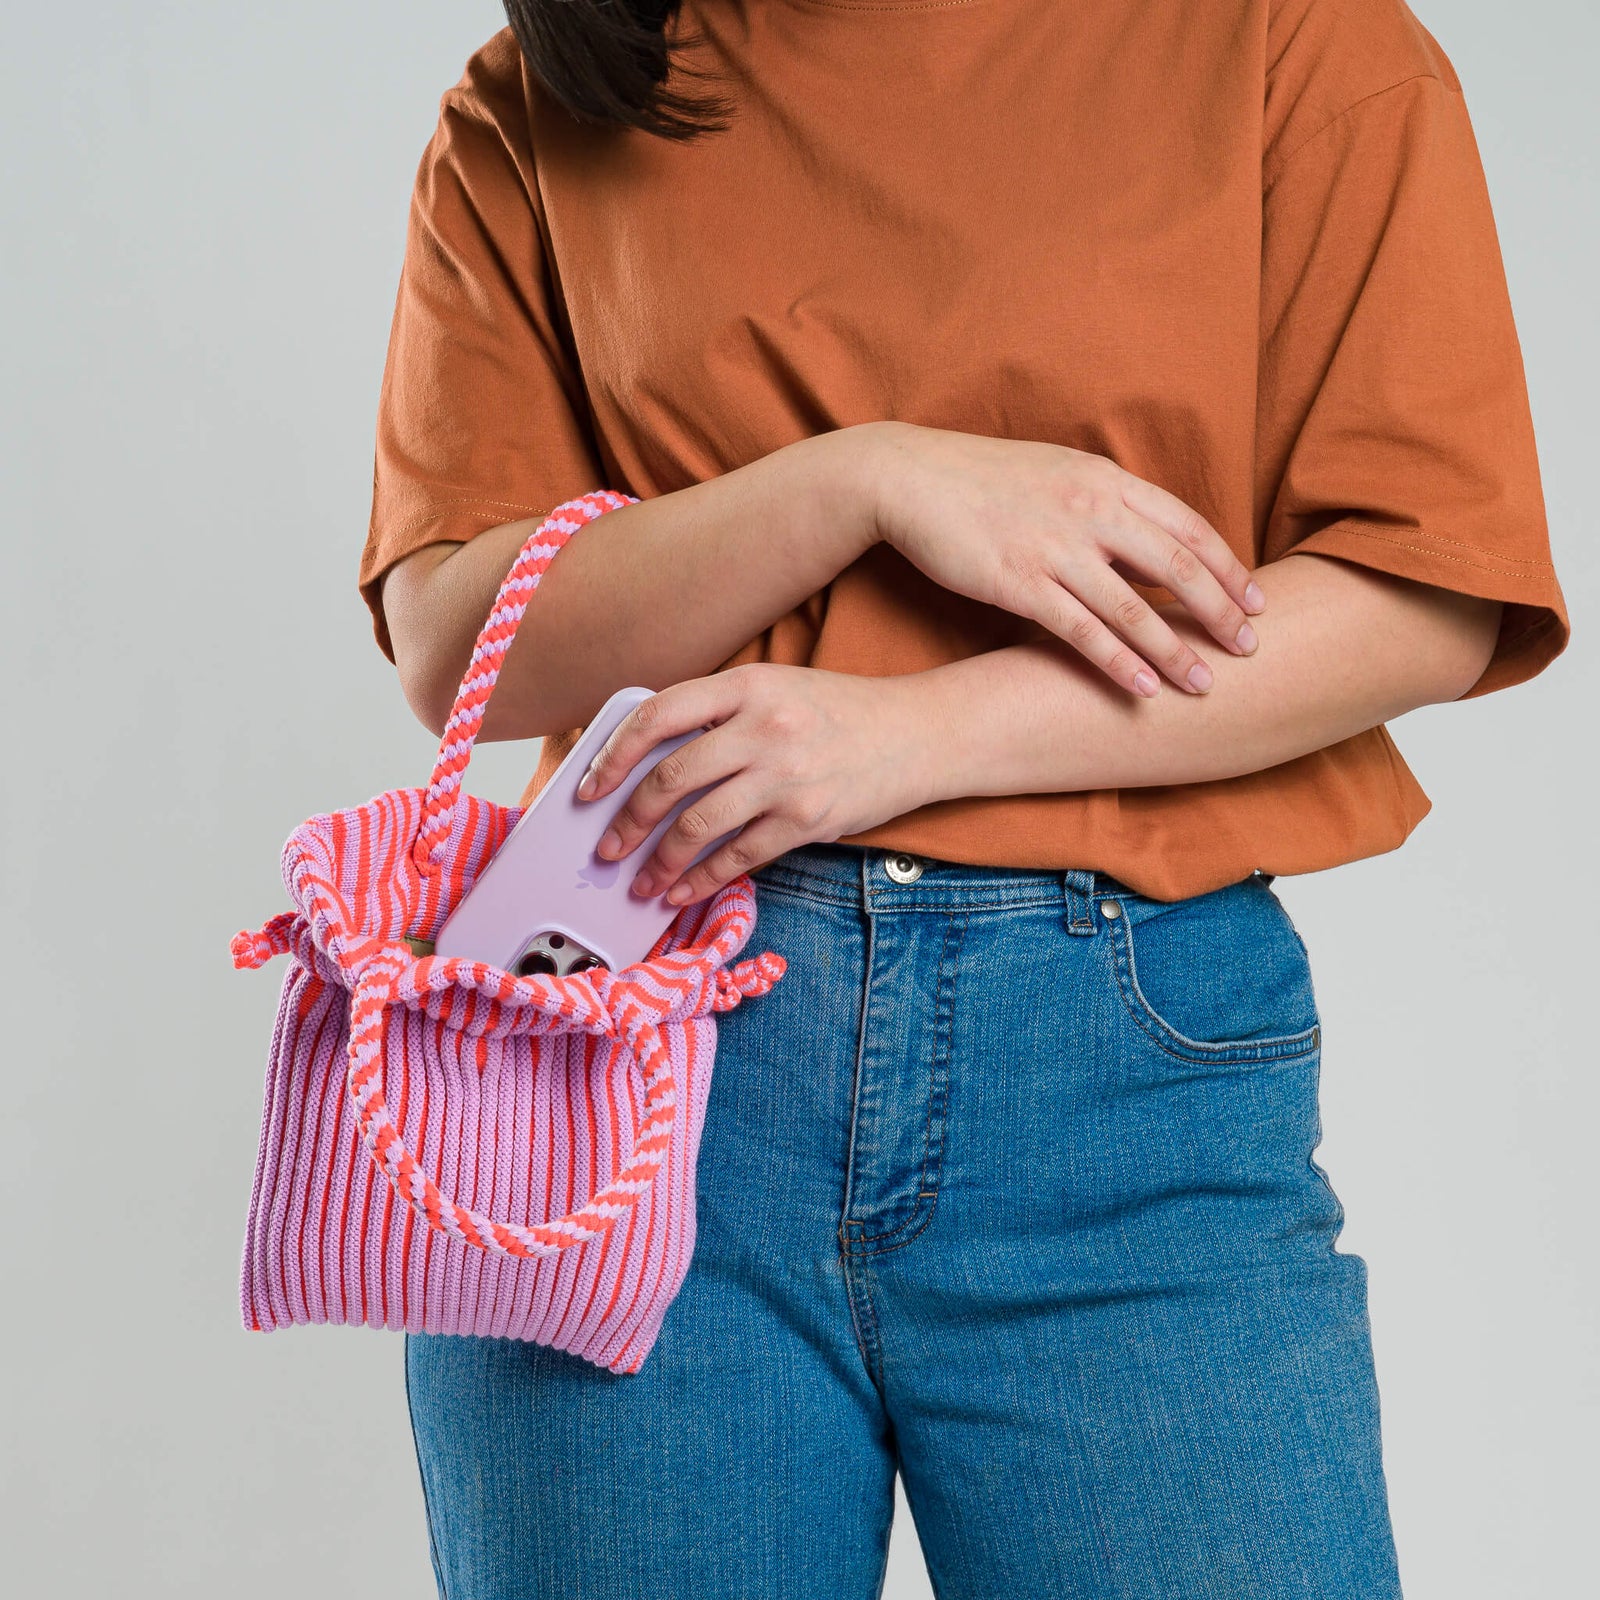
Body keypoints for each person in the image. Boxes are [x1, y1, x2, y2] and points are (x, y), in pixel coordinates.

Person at [360, 1, 1570, 1595]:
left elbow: (1424, 589)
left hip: (1128, 1083)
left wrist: (912, 735)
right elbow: (463, 643)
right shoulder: (553, 91)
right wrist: (860, 480)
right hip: (628, 1053)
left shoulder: (1298, 43)